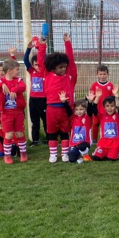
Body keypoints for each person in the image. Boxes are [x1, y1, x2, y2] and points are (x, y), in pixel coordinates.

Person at [37, 33, 77, 163]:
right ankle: (53, 154)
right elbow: (40, 62)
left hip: (66, 109)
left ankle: (65, 153)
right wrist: (42, 46)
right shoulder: (47, 75)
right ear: (53, 68)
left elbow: (71, 60)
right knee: (52, 132)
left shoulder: (69, 76)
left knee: (65, 132)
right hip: (51, 109)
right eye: (60, 67)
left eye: (65, 66)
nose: (64, 69)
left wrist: (67, 43)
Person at [0, 58, 28, 163]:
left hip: (18, 113)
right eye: (17, 69)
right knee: (8, 135)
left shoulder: (18, 80)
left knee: (19, 134)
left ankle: (23, 153)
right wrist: (1, 85)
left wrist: (14, 89)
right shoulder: (0, 81)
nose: (18, 71)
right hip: (6, 114)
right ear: (9, 71)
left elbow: (23, 87)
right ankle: (7, 156)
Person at [23, 38, 47, 146]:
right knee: (34, 121)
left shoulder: (45, 72)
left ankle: (49, 139)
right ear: (33, 65)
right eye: (35, 64)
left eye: (39, 64)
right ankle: (35, 140)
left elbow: (43, 57)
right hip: (33, 100)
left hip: (44, 100)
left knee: (46, 121)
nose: (37, 66)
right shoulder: (32, 71)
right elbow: (25, 60)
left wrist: (41, 47)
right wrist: (29, 49)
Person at [90, 64, 116, 143]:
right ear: (97, 74)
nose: (102, 76)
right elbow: (92, 96)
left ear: (107, 74)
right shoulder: (94, 85)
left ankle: (107, 137)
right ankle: (94, 139)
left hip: (107, 110)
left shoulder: (110, 85)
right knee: (95, 124)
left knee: (106, 124)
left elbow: (113, 97)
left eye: (104, 74)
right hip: (97, 109)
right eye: (100, 74)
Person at [66, 96, 94, 163]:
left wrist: (90, 102)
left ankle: (85, 155)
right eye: (77, 109)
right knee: (71, 159)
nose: (79, 111)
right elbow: (68, 110)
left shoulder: (87, 118)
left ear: (85, 109)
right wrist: (64, 102)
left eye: (81, 109)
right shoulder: (73, 118)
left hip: (85, 143)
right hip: (74, 144)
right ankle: (79, 156)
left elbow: (90, 111)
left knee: (82, 147)